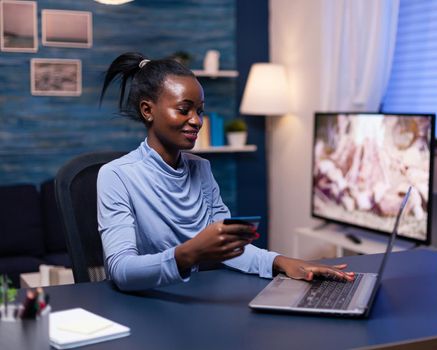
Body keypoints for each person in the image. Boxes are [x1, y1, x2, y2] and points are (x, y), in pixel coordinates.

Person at [97, 52, 355, 291]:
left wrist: (284, 263)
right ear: (147, 110)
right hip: (144, 305)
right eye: (184, 110)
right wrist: (190, 253)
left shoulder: (201, 169)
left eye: (199, 111)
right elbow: (121, 269)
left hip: (193, 299)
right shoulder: (116, 176)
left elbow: (231, 248)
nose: (197, 120)